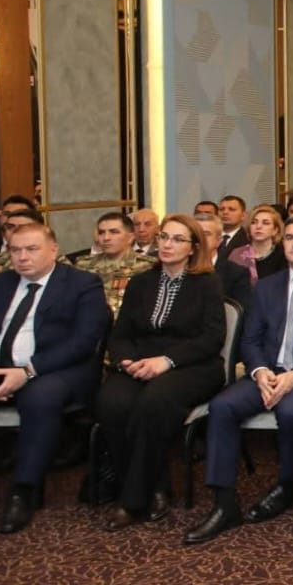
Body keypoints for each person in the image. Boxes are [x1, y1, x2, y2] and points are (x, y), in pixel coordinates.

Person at [184, 215, 293, 545]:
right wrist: (259, 371)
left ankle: (287, 484)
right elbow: (250, 339)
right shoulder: (267, 286)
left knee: (291, 409)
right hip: (269, 372)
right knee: (222, 406)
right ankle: (224, 503)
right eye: (290, 237)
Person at [95, 215, 227, 531]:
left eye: (177, 239)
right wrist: (126, 361)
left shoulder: (207, 283)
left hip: (193, 365)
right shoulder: (141, 281)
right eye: (164, 237)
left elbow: (212, 338)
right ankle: (155, 485)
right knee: (111, 402)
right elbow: (121, 333)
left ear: (193, 247)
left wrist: (166, 361)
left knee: (152, 404)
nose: (167, 244)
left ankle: (132, 500)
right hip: (140, 363)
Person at [0, 222, 112, 534]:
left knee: (40, 397)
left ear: (53, 250)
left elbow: (84, 342)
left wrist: (27, 371)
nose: (22, 257)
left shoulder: (82, 284)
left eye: (31, 249)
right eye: (15, 250)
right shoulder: (2, 283)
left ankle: (24, 489)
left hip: (58, 371)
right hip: (1, 368)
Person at [67, 212, 153, 317]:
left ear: (130, 237)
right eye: (101, 233)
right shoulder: (84, 264)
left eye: (114, 232)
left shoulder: (146, 265)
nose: (106, 238)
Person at [192, 212, 253, 308]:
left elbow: (241, 311)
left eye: (206, 234)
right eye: (196, 234)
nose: (200, 238)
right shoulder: (179, 268)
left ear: (219, 240)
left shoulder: (236, 273)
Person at [229, 206, 286, 286]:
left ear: (275, 230)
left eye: (265, 223)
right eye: (254, 222)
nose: (258, 226)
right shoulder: (237, 254)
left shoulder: (284, 255)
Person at [215, 195, 249, 261]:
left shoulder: (248, 240)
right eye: (221, 209)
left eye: (231, 209)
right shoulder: (210, 237)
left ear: (243, 215)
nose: (225, 212)